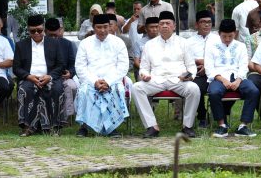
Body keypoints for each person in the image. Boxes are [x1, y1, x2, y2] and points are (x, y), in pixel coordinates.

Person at [131, 10, 199, 139]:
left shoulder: (184, 43)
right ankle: (152, 126)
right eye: (161, 23)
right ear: (158, 26)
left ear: (174, 26)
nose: (164, 26)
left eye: (168, 23)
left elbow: (191, 66)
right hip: (157, 80)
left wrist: (188, 76)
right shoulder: (149, 45)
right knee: (136, 87)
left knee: (194, 88)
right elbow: (144, 67)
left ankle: (187, 126)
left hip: (178, 80)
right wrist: (144, 75)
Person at [74, 14, 130, 138]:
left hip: (112, 80)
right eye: (99, 27)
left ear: (110, 26)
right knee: (84, 91)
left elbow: (123, 66)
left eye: (106, 27)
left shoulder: (118, 42)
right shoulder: (85, 43)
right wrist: (94, 81)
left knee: (117, 89)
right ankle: (84, 127)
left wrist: (108, 81)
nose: (103, 30)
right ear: (93, 27)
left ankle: (111, 127)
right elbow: (80, 67)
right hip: (90, 80)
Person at [205, 19, 259, 138]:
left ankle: (243, 126)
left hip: (238, 77)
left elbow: (244, 66)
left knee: (253, 91)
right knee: (213, 92)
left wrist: (238, 80)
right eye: (224, 36)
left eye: (230, 36)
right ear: (219, 33)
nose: (227, 39)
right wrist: (223, 80)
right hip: (218, 78)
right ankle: (222, 125)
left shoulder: (240, 46)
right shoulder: (211, 46)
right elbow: (209, 68)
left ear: (235, 33)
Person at [13, 15, 65, 136]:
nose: (36, 33)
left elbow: (60, 65)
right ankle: (27, 126)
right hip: (30, 78)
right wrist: (28, 76)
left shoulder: (54, 43)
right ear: (28, 30)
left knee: (57, 89)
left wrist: (50, 76)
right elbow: (16, 68)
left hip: (49, 77)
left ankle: (53, 127)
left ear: (44, 28)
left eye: (39, 30)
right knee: (24, 89)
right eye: (32, 31)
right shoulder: (21, 45)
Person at [184, 10, 217, 127]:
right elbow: (185, 60)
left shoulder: (218, 40)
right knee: (195, 88)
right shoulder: (188, 42)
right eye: (203, 22)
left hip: (217, 73)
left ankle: (221, 116)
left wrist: (207, 64)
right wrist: (197, 63)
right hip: (198, 73)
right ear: (196, 24)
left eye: (209, 22)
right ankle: (202, 116)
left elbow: (222, 58)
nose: (207, 24)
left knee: (221, 89)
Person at [45, 17, 78, 125]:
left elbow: (73, 64)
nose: (54, 38)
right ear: (45, 32)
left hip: (64, 76)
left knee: (72, 86)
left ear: (60, 31)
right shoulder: (41, 43)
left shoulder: (67, 44)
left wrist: (70, 73)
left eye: (56, 34)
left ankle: (65, 117)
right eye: (51, 35)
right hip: (45, 76)